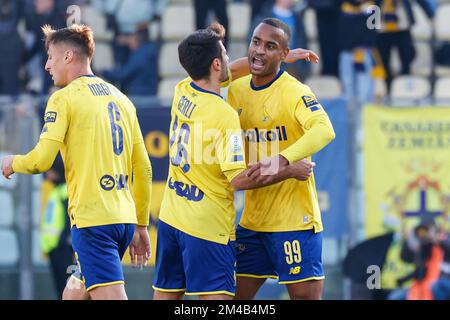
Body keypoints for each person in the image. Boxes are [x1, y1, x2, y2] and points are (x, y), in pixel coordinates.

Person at [152, 23, 316, 300]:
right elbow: (238, 179)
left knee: (167, 295)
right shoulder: (224, 115)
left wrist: (277, 57)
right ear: (216, 64)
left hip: (171, 218)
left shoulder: (182, 90)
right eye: (226, 55)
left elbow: (233, 69)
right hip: (206, 227)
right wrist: (288, 170)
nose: (232, 60)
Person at [1, 24, 152, 300]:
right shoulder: (122, 99)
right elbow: (143, 168)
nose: (47, 65)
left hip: (93, 222)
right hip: (123, 219)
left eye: (50, 56)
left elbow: (41, 160)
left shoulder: (63, 98)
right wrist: (140, 225)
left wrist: (13, 162)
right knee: (73, 294)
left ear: (68, 57)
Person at [227, 18, 336, 300]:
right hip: (252, 223)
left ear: (284, 55)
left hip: (294, 222)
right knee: (229, 298)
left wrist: (283, 160)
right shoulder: (236, 90)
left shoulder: (295, 92)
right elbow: (213, 71)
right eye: (256, 42)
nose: (260, 51)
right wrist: (277, 53)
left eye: (271, 46)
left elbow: (325, 130)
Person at [40, 154, 74, 299]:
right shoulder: (56, 190)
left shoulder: (65, 191)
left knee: (68, 289)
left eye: (51, 170)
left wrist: (63, 241)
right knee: (60, 290)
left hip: (64, 249)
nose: (48, 174)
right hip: (55, 248)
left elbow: (69, 222)